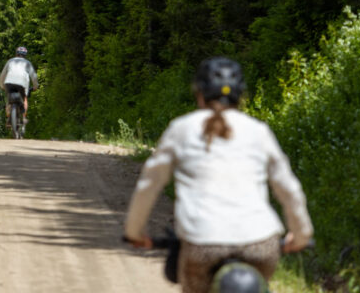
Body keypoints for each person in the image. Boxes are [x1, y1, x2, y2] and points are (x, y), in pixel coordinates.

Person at [123, 57, 314, 293]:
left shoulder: (181, 129)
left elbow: (150, 184)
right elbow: (288, 188)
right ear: (241, 96)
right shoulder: (258, 131)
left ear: (199, 94)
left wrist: (135, 231)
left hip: (202, 243)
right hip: (260, 243)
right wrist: (302, 234)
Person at [0, 46, 39, 126]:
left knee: (9, 100)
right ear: (25, 55)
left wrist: (1, 85)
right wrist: (35, 86)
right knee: (24, 99)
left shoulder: (10, 61)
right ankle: (23, 117)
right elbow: (34, 77)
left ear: (16, 54)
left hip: (9, 82)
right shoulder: (27, 63)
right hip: (21, 84)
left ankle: (9, 117)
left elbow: (2, 75)